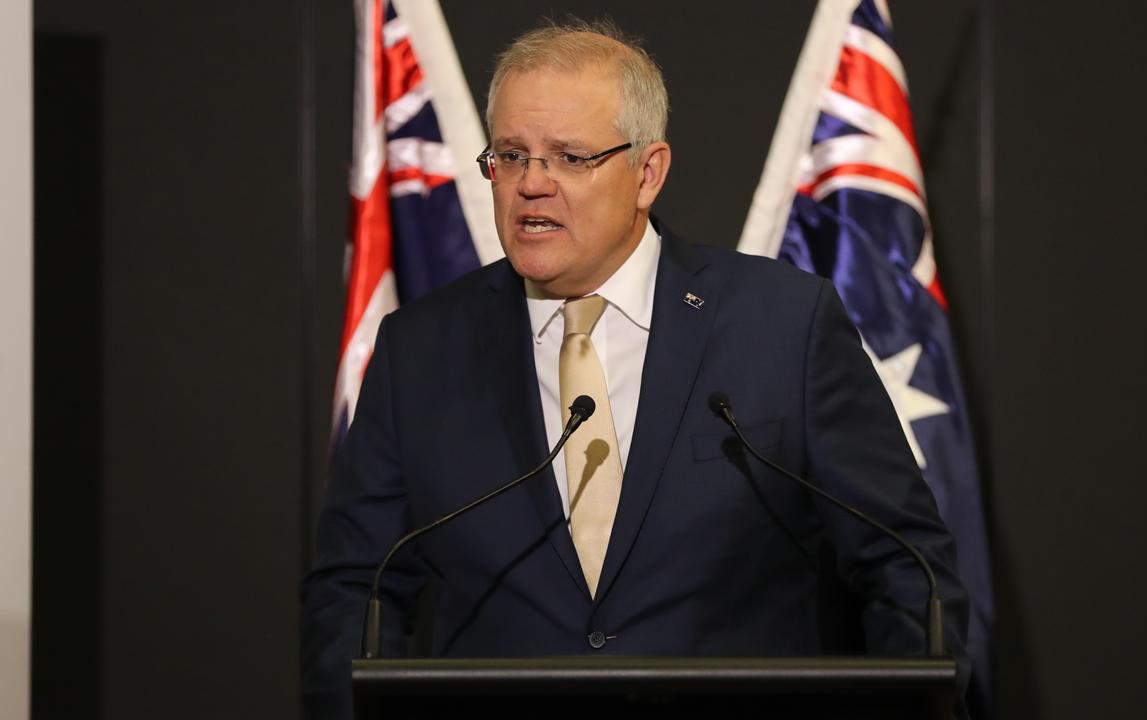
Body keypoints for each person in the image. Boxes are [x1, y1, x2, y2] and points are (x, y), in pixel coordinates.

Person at [301, 18, 969, 718]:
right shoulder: (418, 351)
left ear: (647, 173)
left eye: (569, 157)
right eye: (511, 156)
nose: (532, 184)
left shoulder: (782, 326)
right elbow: (353, 593)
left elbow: (906, 566)